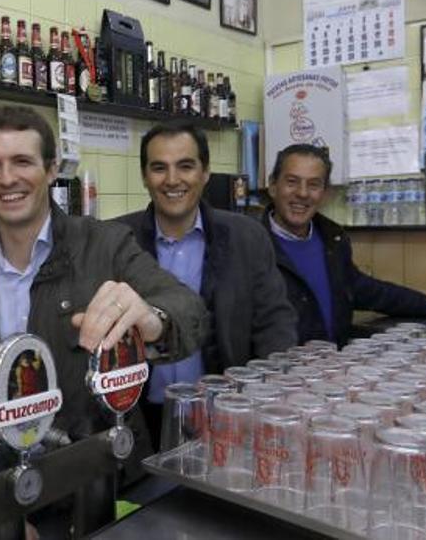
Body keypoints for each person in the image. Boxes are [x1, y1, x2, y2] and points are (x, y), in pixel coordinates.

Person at [0, 106, 206, 445]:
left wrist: (153, 319)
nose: (7, 178)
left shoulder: (105, 243)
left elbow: (188, 308)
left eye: (23, 161)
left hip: (96, 466)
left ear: (52, 170)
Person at [115, 122, 296, 443]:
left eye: (185, 166)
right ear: (144, 176)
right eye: (159, 168)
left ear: (206, 172)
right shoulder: (116, 240)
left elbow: (273, 325)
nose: (172, 180)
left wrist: (270, 405)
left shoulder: (247, 237)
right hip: (139, 421)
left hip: (226, 416)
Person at [265, 144, 426, 346]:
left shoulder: (332, 241)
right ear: (273, 186)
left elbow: (371, 292)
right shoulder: (249, 246)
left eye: (314, 185)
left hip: (332, 371)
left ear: (325, 194)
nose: (302, 193)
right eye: (292, 182)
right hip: (277, 373)